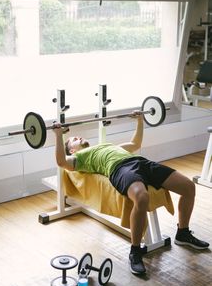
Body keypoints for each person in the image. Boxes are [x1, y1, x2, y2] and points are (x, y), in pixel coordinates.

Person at [53, 113, 209, 275]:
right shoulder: (79, 158)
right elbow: (61, 162)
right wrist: (58, 135)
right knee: (142, 198)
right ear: (72, 150)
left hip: (142, 162)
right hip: (120, 169)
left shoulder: (107, 146)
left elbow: (135, 143)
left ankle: (182, 233)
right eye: (74, 140)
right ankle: (135, 251)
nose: (78, 137)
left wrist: (139, 120)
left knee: (189, 187)